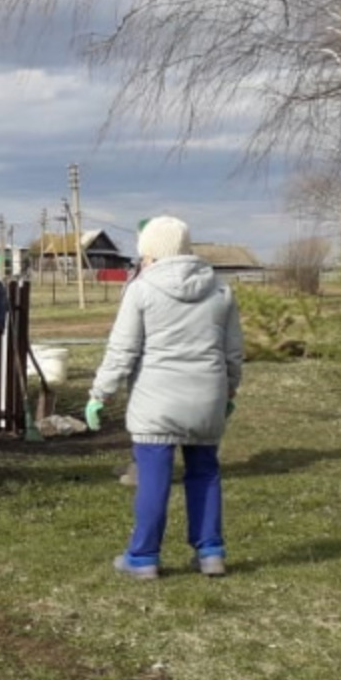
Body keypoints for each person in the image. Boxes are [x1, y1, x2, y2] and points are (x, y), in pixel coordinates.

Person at [86, 216, 244, 579]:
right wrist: (230, 391)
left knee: (154, 478)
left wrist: (100, 394)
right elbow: (233, 351)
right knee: (204, 473)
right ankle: (210, 552)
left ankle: (143, 557)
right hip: (207, 398)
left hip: (155, 402)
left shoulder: (141, 290)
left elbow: (122, 350)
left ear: (150, 252)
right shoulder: (220, 290)